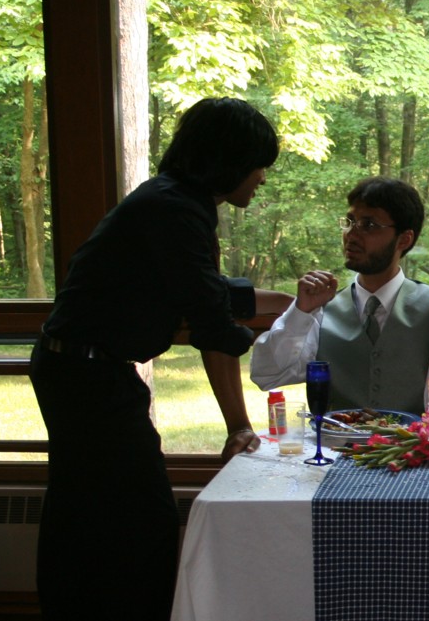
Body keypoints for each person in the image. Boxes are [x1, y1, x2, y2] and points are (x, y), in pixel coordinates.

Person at [29, 97, 293, 621]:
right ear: (231, 160)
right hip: (88, 377)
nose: (262, 178)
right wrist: (276, 344)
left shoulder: (172, 201)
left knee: (89, 515)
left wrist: (281, 308)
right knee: (140, 521)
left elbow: (206, 297)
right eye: (259, 164)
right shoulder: (176, 210)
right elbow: (212, 322)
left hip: (80, 370)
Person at [250, 176, 429, 415]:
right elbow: (266, 375)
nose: (351, 235)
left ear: (404, 239)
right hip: (332, 449)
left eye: (368, 225)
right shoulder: (321, 310)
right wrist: (300, 312)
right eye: (349, 222)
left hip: (411, 450)